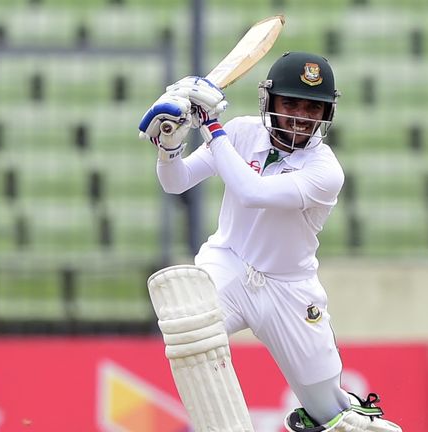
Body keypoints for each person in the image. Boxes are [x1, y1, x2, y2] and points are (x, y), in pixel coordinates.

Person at [139, 51, 402, 432]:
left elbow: (252, 192)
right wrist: (169, 147)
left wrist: (210, 125)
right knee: (188, 319)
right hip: (229, 263)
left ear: (327, 113)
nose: (301, 115)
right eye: (291, 102)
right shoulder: (243, 133)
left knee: (336, 417)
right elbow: (175, 181)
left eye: (313, 107)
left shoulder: (325, 171)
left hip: (289, 289)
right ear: (269, 102)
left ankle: (342, 411)